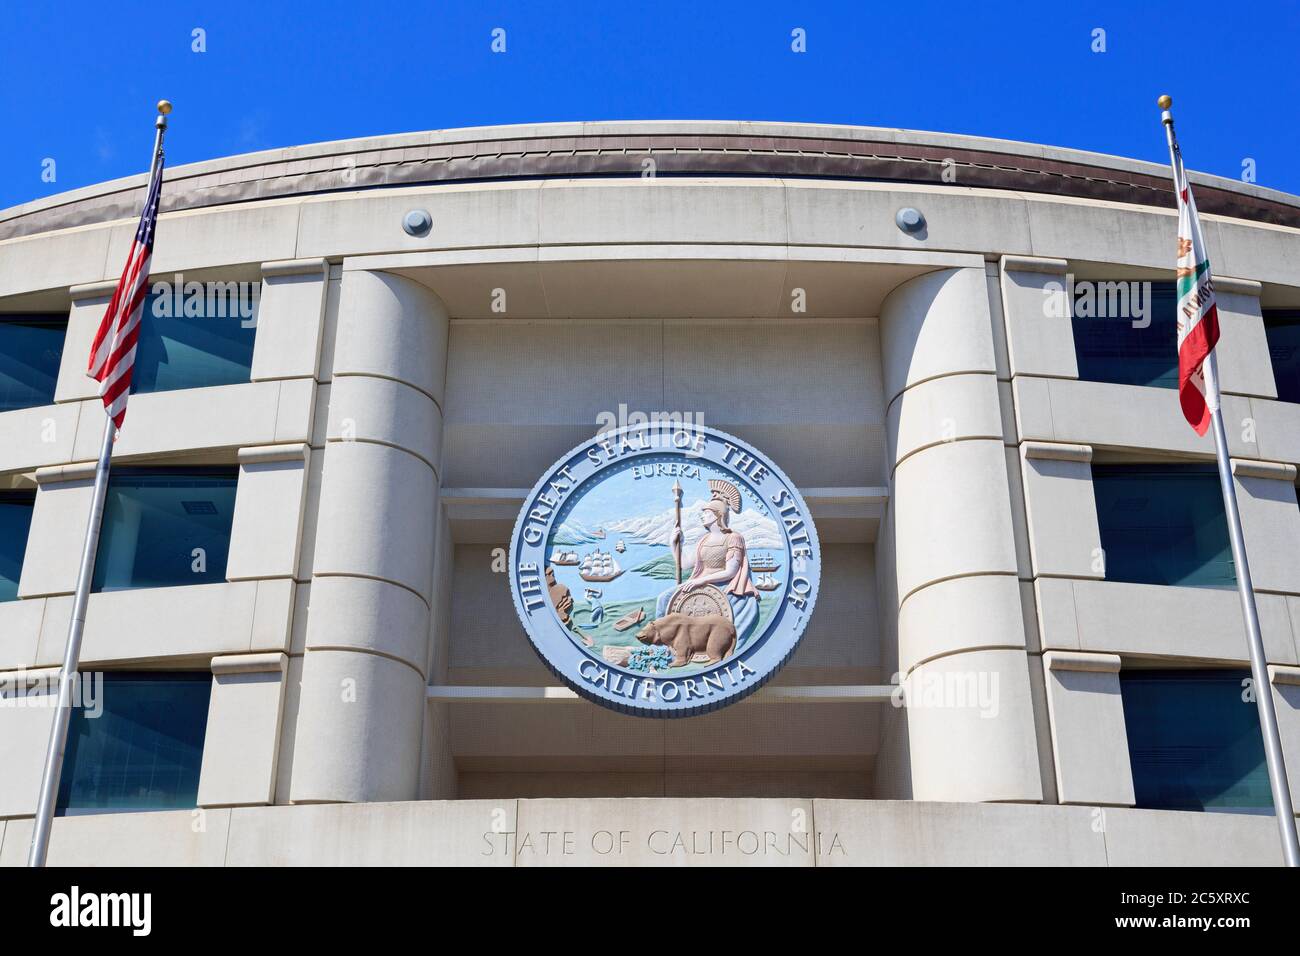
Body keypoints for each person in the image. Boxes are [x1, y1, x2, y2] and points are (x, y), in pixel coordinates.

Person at [655, 481, 759, 649]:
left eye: (706, 512)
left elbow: (731, 572)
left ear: (717, 515)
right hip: (700, 583)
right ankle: (661, 644)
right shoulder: (703, 540)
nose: (702, 516)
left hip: (723, 585)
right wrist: (675, 545)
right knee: (664, 598)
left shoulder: (734, 538)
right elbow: (685, 564)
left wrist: (699, 581)